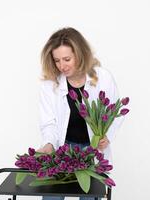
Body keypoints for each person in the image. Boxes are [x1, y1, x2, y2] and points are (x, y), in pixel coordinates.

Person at [37, 27, 123, 200]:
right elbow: (49, 124)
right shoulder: (49, 85)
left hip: (92, 152)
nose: (62, 66)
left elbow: (116, 112)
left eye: (67, 59)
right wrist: (48, 144)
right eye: (57, 60)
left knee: (90, 196)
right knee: (51, 196)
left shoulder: (103, 78)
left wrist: (107, 136)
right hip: (63, 151)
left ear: (80, 54)